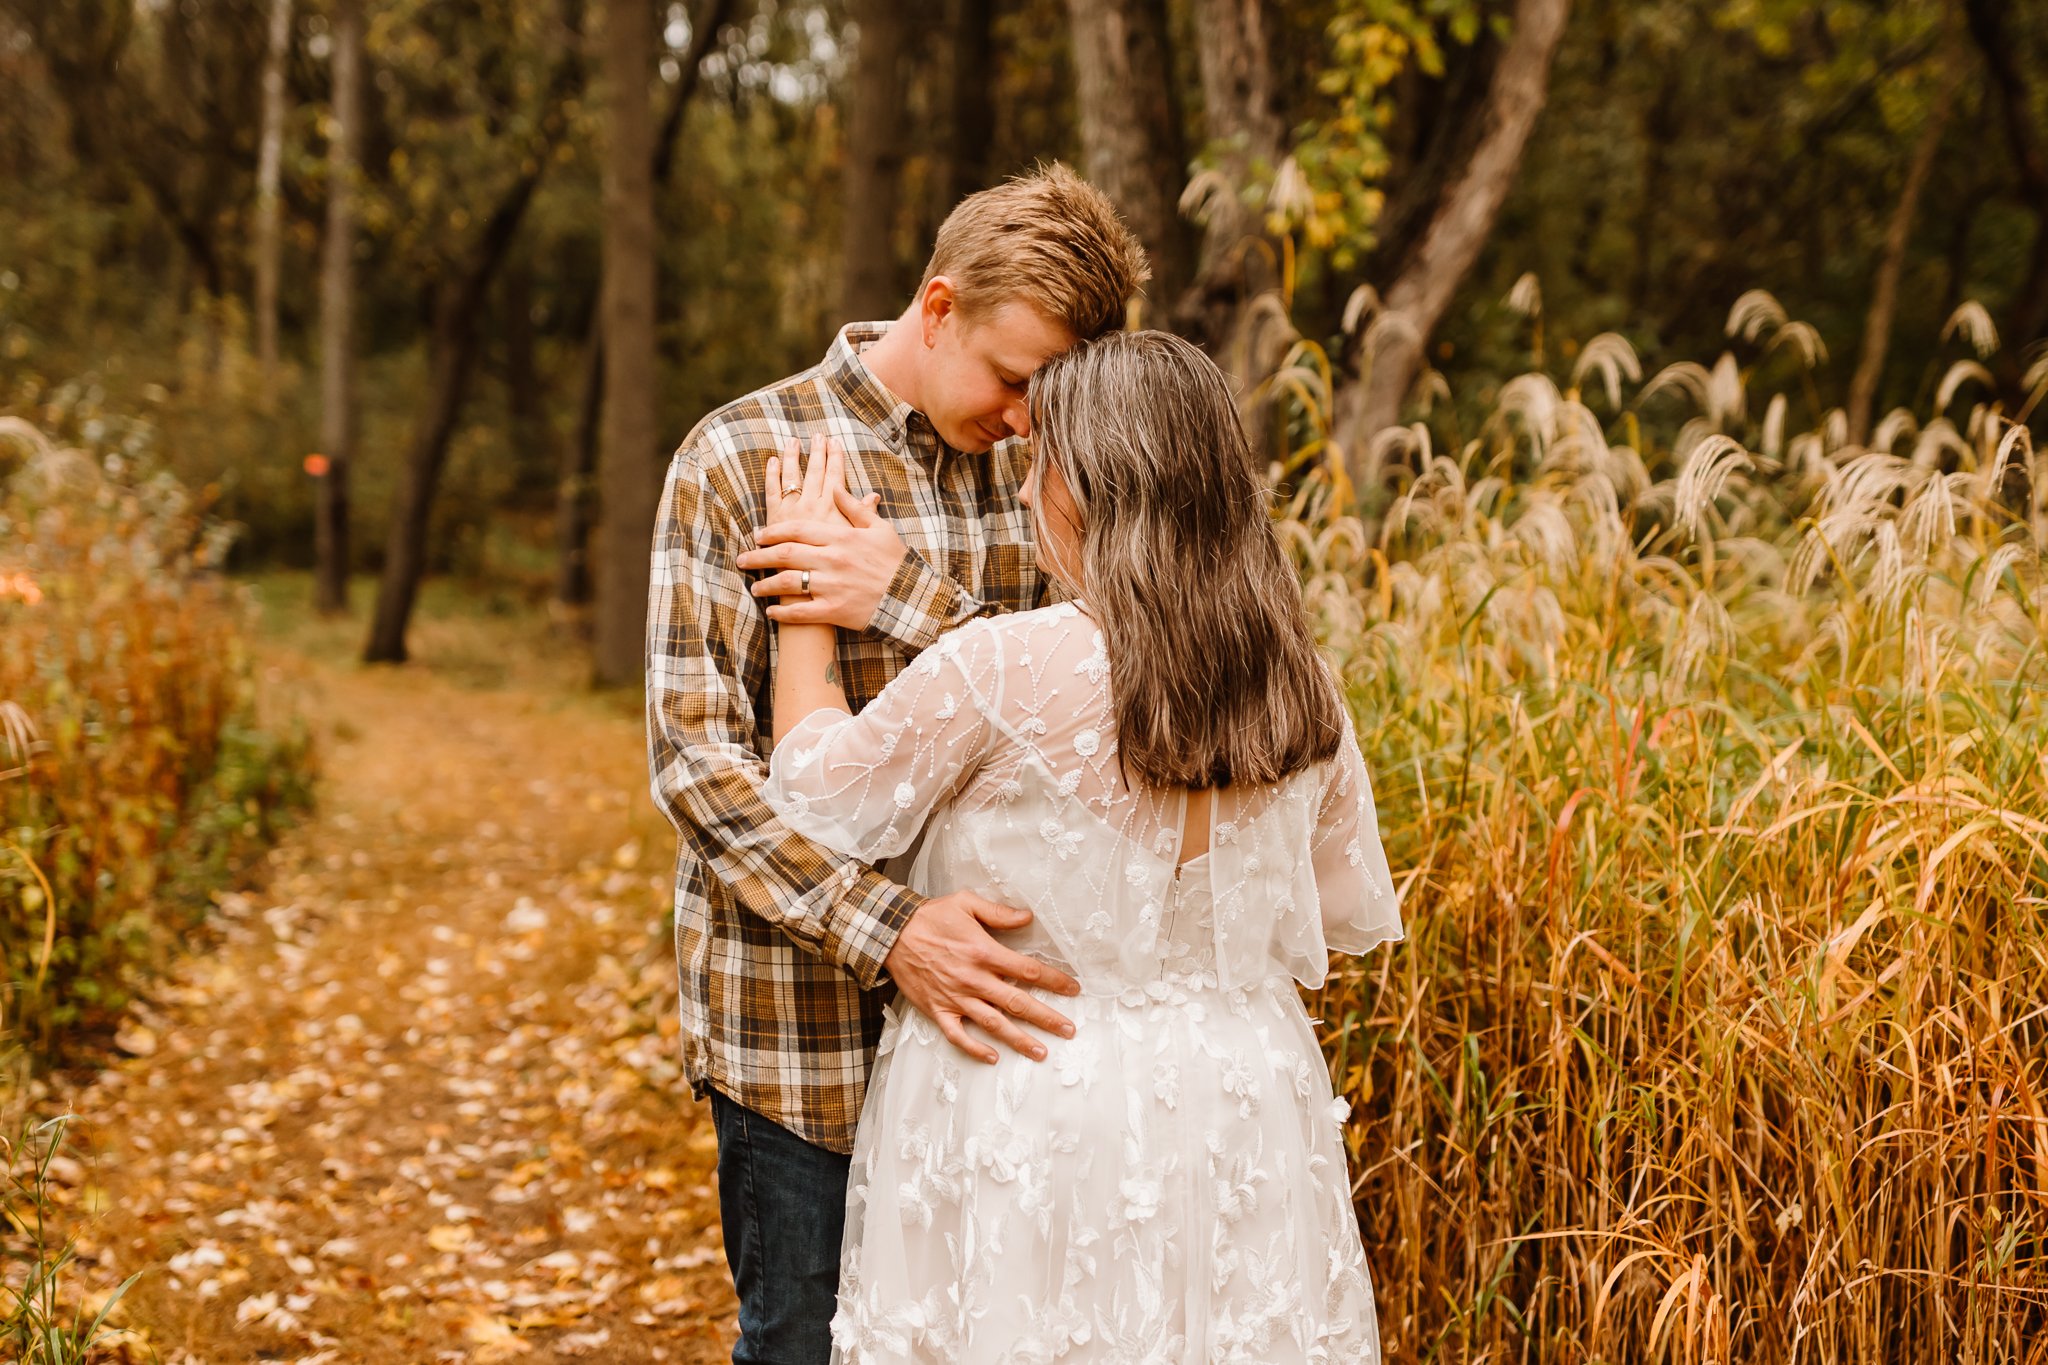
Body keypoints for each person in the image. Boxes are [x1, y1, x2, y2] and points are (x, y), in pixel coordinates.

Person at [760, 330, 1405, 1363]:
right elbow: (1330, 905)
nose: (1022, 497)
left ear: (1101, 482)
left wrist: (803, 604)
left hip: (1032, 1094)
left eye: (1040, 467)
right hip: (1240, 1105)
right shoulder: (1298, 682)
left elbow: (817, 798)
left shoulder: (1005, 668)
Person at [645, 165, 1150, 1365]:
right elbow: (697, 767)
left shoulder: (1063, 478)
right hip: (804, 1038)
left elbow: (1109, 705)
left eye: (1057, 394)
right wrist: (891, 933)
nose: (1032, 418)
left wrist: (903, 599)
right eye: (1017, 379)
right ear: (936, 309)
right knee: (802, 1346)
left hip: (1005, 1051)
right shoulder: (738, 457)